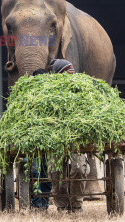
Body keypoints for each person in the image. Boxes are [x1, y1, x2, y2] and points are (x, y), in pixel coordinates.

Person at [49, 59, 89, 213]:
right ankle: (62, 205)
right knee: (55, 171)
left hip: (77, 139)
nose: (71, 78)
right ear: (58, 75)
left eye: (72, 74)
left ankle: (77, 204)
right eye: (67, 74)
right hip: (56, 140)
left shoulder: (81, 92)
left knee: (79, 169)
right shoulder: (48, 93)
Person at [30, 68, 52, 210]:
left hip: (49, 142)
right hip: (32, 142)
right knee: (35, 171)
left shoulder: (53, 96)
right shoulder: (28, 96)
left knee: (46, 173)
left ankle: (45, 203)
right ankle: (37, 203)